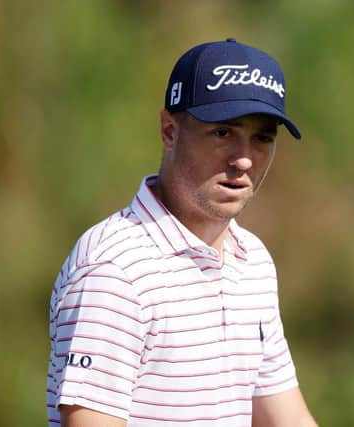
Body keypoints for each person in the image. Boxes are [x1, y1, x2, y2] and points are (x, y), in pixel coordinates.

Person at [46, 38, 317, 427]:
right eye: (223, 132)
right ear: (169, 130)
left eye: (262, 138)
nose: (243, 158)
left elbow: (284, 419)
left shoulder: (252, 260)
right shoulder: (114, 271)